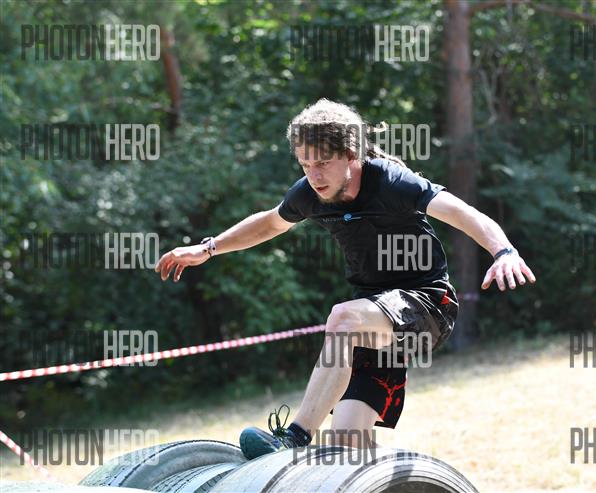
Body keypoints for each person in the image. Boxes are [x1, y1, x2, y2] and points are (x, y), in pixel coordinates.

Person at [154, 99, 536, 459]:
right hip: (373, 322)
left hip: (426, 305)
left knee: (343, 317)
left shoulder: (392, 183)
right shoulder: (310, 194)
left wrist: (503, 251)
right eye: (305, 165)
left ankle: (295, 436)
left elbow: (462, 212)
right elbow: (269, 223)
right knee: (346, 444)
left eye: (323, 163)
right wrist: (207, 249)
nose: (314, 175)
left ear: (351, 155)